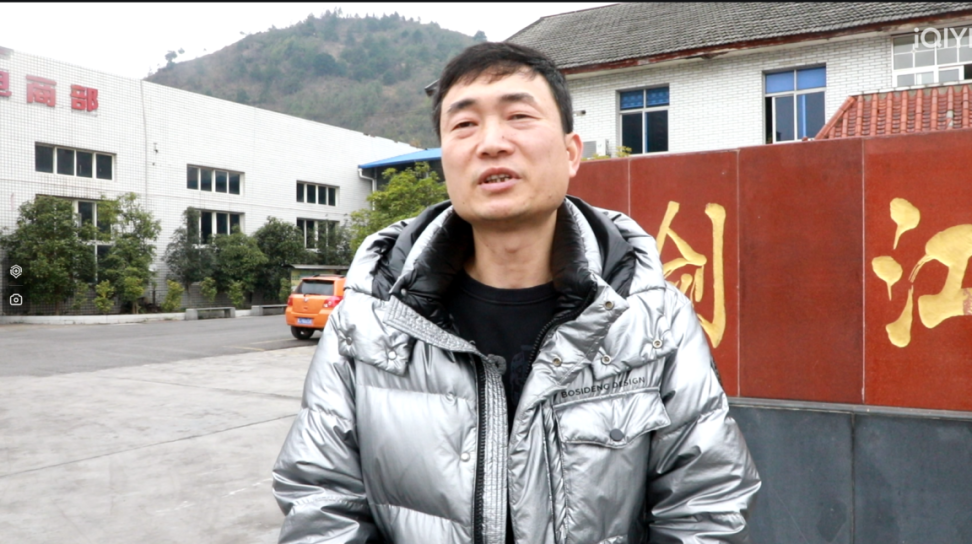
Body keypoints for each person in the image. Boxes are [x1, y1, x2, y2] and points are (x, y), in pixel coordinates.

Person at [272, 42, 760, 544]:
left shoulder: (650, 317)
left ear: (571, 153)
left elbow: (707, 505)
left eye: (519, 116)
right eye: (465, 124)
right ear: (445, 161)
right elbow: (321, 502)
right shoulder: (369, 319)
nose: (491, 143)